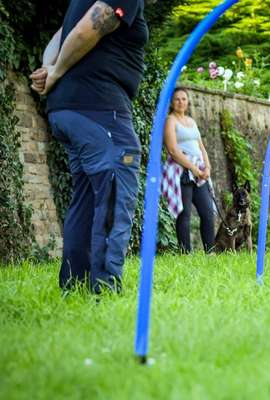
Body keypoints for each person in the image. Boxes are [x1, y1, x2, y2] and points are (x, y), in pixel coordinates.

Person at [29, 0, 148, 293]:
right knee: (116, 191)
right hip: (100, 110)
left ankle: (74, 285)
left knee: (84, 199)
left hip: (69, 111)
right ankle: (105, 289)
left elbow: (61, 34)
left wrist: (49, 65)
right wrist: (55, 72)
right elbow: (90, 26)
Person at [161, 87, 216, 254]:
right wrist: (193, 168)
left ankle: (210, 252)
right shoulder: (170, 120)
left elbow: (202, 148)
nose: (181, 102)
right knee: (184, 215)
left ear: (188, 101)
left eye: (184, 99)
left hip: (199, 172)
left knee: (207, 212)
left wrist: (207, 167)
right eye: (177, 99)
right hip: (181, 171)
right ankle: (186, 254)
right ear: (172, 102)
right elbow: (172, 150)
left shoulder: (192, 121)